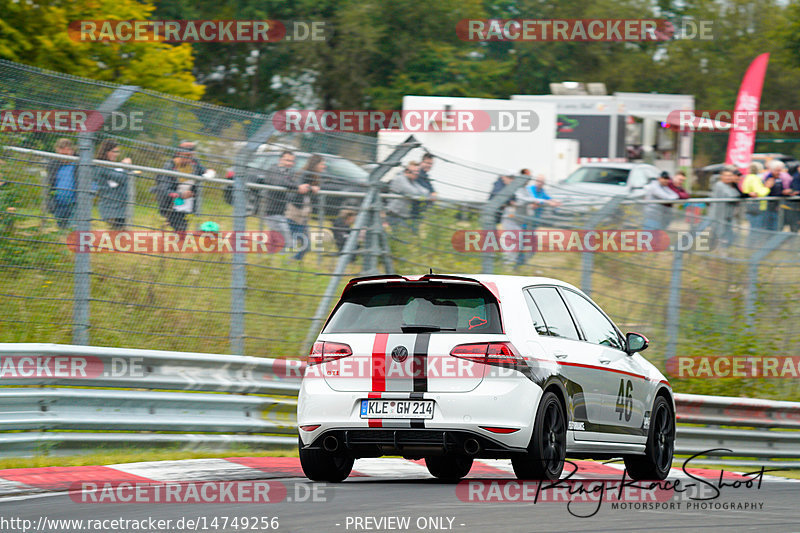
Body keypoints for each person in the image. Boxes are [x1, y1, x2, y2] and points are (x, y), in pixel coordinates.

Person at [153, 141, 207, 233]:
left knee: (182, 230)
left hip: (187, 205)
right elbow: (164, 190)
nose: (190, 158)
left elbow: (204, 171)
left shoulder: (194, 163)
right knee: (177, 230)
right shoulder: (170, 166)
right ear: (179, 154)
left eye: (191, 155)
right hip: (171, 205)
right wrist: (180, 194)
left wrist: (209, 172)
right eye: (187, 155)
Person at [286, 154, 323, 260]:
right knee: (301, 243)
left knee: (306, 245)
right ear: (315, 164)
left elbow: (320, 187)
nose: (323, 166)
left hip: (304, 215)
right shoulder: (305, 173)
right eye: (322, 164)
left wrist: (314, 188)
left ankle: (293, 261)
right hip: (295, 213)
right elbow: (300, 186)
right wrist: (312, 188)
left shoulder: (316, 176)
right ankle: (289, 261)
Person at [93, 140, 131, 230]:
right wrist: (125, 166)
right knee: (118, 235)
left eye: (117, 152)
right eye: (114, 152)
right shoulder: (101, 166)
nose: (116, 154)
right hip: (111, 209)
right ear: (106, 152)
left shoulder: (110, 166)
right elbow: (121, 178)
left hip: (119, 208)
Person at [260, 150, 296, 247]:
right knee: (287, 243)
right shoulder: (273, 170)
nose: (289, 163)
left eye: (292, 161)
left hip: (282, 212)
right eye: (287, 160)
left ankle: (270, 258)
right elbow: (280, 182)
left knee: (278, 241)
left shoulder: (289, 173)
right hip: (271, 212)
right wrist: (297, 187)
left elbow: (293, 183)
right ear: (280, 160)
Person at [385, 162, 430, 230]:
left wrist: (419, 194)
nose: (417, 173)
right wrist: (419, 194)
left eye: (418, 171)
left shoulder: (412, 181)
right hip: (395, 215)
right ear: (407, 171)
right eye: (415, 171)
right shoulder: (400, 179)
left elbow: (426, 192)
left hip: (404, 216)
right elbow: (412, 192)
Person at [705, 166, 741, 250]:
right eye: (726, 175)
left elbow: (738, 194)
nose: (728, 178)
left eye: (730, 176)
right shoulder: (719, 185)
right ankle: (715, 251)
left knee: (727, 235)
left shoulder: (730, 186)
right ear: (721, 176)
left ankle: (722, 250)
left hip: (727, 215)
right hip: (718, 215)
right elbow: (733, 196)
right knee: (718, 234)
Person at [46, 138, 77, 229]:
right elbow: (50, 184)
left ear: (72, 150)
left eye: (67, 153)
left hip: (75, 203)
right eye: (62, 154)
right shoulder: (53, 165)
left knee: (73, 228)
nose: (64, 156)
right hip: (59, 203)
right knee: (62, 229)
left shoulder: (79, 164)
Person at [740, 162, 770, 245]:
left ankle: (751, 245)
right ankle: (752, 245)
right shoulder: (754, 179)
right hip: (757, 207)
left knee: (754, 227)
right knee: (756, 228)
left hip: (751, 206)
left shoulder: (748, 177)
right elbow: (759, 192)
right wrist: (768, 187)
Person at [410, 153, 436, 231]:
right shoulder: (417, 174)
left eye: (431, 164)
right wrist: (431, 193)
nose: (429, 165)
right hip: (414, 210)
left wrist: (432, 193)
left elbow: (431, 190)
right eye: (427, 163)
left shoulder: (425, 176)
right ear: (422, 162)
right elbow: (424, 191)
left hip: (420, 210)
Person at [762, 161, 789, 231]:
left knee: (778, 224)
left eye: (780, 170)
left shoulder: (780, 178)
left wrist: (784, 192)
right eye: (777, 170)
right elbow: (766, 190)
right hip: (770, 205)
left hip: (778, 205)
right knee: (771, 224)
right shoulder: (769, 178)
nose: (779, 172)